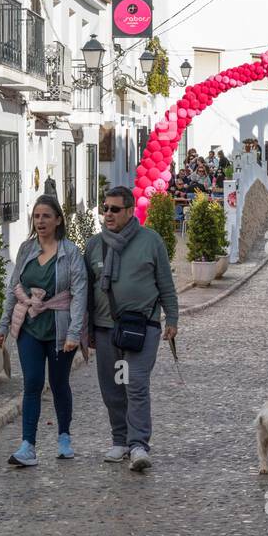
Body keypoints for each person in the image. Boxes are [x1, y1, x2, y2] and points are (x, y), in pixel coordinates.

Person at [85, 186, 178, 472]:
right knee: (112, 388)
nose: (108, 214)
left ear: (129, 211)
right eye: (105, 208)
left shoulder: (151, 241)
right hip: (105, 330)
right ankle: (120, 440)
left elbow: (165, 284)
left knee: (135, 384)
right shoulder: (94, 245)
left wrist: (172, 319)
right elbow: (86, 291)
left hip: (142, 327)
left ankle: (139, 445)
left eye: (114, 209)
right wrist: (84, 330)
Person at [0, 196, 87, 467]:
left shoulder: (70, 252)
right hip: (29, 328)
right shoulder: (26, 249)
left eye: (46, 216)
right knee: (32, 383)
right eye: (37, 217)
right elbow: (14, 289)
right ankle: (28, 445)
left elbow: (80, 293)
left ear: (58, 219)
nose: (41, 221)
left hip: (59, 328)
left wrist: (74, 332)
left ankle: (64, 438)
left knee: (59, 384)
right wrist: (2, 326)